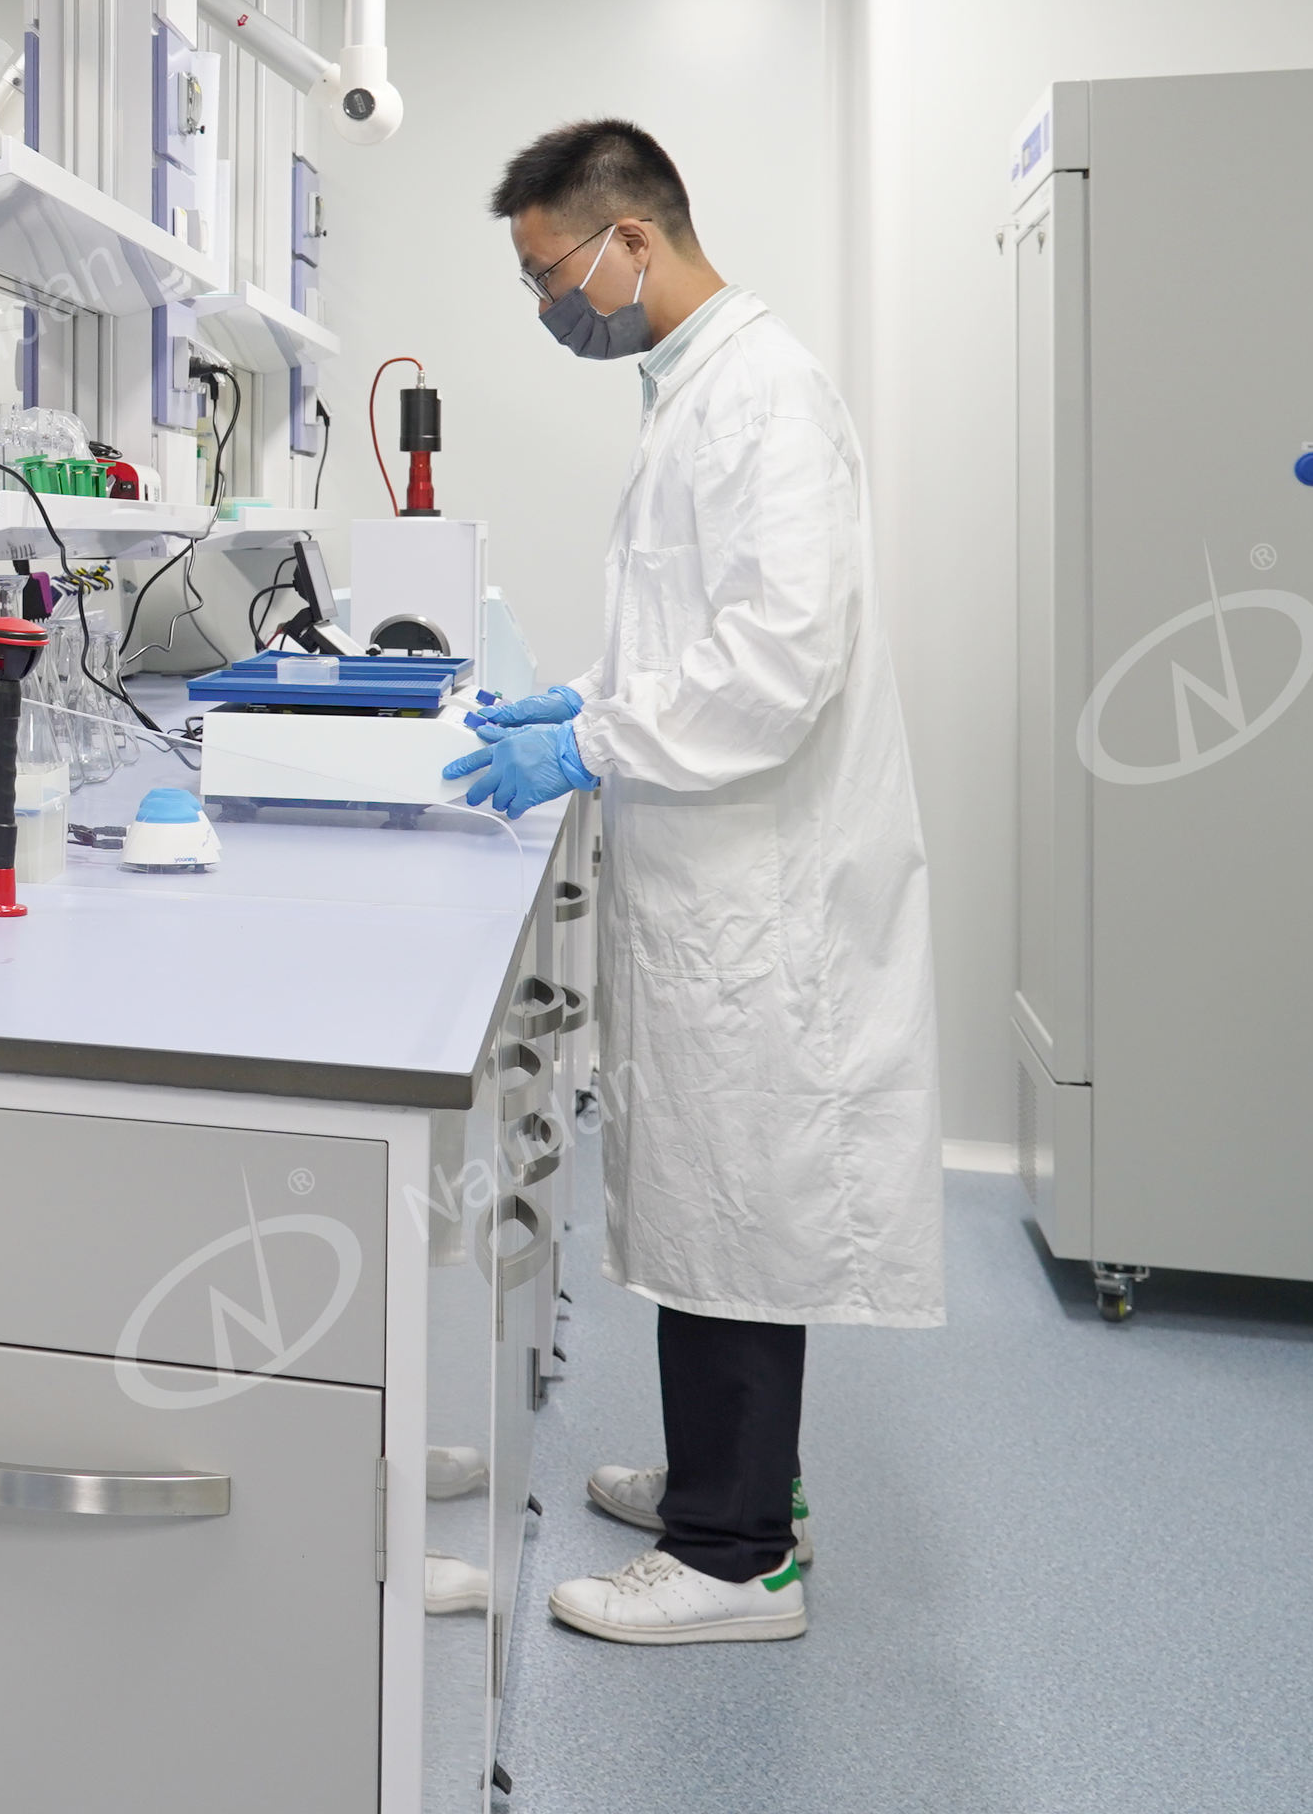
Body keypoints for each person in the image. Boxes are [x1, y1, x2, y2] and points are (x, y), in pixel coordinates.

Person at [442, 118, 941, 1648]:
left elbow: (776, 663)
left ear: (631, 241)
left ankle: (736, 1561)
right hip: (715, 870)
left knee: (735, 1199)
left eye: (552, 275)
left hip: (759, 891)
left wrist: (590, 740)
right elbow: (697, 636)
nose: (549, 307)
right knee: (709, 1193)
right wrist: (586, 701)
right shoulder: (701, 391)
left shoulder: (762, 396)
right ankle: (736, 1482)